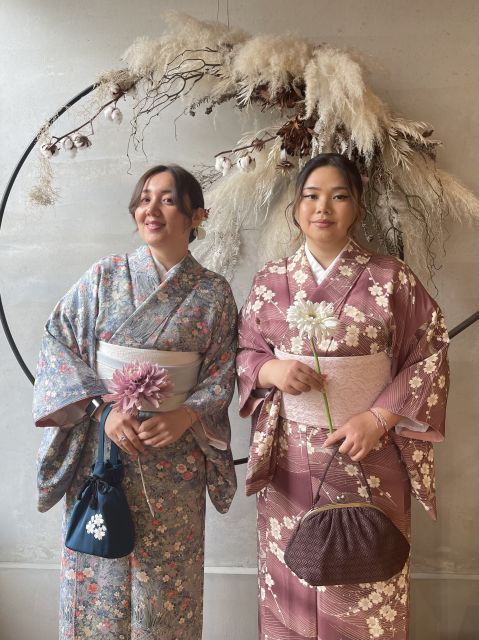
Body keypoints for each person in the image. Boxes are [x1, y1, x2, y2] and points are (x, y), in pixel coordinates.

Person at [237, 153, 449, 640]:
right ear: (295, 207)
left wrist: (379, 417)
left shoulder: (392, 277)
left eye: (339, 196)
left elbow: (430, 352)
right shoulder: (270, 280)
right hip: (291, 457)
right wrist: (270, 369)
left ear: (357, 206)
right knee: (291, 580)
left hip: (371, 450)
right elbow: (245, 351)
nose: (323, 208)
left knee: (366, 579)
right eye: (311, 196)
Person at [33, 164, 238, 639]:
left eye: (167, 199)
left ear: (197, 215)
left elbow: (225, 368)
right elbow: (57, 342)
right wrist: (101, 411)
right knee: (97, 568)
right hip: (104, 449)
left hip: (175, 455)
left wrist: (186, 414)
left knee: (168, 583)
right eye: (145, 199)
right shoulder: (105, 276)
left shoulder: (213, 293)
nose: (151, 209)